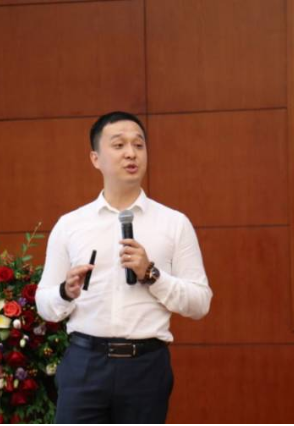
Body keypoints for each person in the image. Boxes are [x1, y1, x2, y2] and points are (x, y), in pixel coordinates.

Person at [36, 111, 212, 424]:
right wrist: (65, 291)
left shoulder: (174, 223)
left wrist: (152, 274)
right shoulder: (70, 225)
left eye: (138, 145)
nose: (131, 153)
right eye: (118, 145)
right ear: (95, 158)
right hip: (85, 363)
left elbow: (200, 302)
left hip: (146, 366)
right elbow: (44, 303)